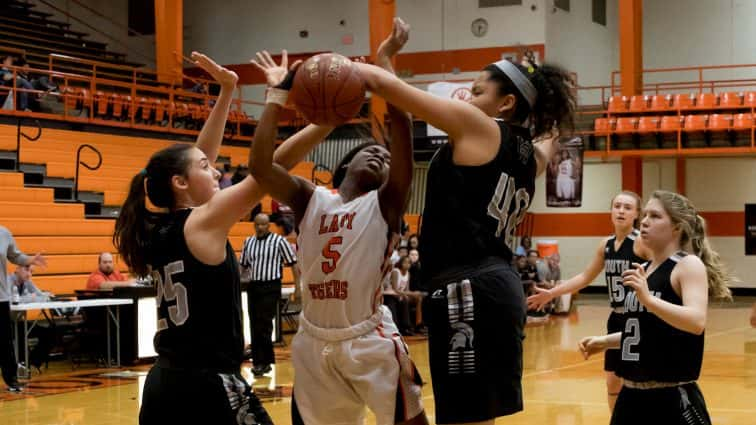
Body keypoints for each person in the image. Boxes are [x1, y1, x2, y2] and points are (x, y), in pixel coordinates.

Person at [351, 16, 576, 423]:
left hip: (468, 288)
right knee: (476, 417)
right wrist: (385, 57)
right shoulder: (531, 157)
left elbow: (389, 89)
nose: (467, 99)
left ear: (505, 104)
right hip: (494, 286)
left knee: (463, 418)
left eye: (476, 91)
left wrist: (315, 72)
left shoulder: (480, 127)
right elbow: (550, 139)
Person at [113, 52, 335, 425]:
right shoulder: (201, 223)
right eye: (206, 169)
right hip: (207, 383)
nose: (216, 171)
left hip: (163, 383)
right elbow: (269, 169)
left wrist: (227, 90)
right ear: (180, 184)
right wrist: (324, 124)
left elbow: (198, 157)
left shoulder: (160, 226)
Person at [249, 18, 427, 425]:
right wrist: (278, 94)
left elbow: (402, 137)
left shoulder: (385, 205)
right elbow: (260, 165)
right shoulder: (310, 198)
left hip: (369, 338)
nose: (381, 156)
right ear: (345, 164)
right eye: (370, 151)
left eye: (384, 159)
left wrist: (384, 70)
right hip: (312, 340)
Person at [579, 190, 733, 425]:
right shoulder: (645, 268)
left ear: (677, 227)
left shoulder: (687, 265)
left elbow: (696, 321)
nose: (645, 221)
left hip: (671, 397)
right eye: (646, 215)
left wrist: (649, 299)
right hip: (630, 396)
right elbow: (647, 331)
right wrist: (604, 341)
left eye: (655, 216)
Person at [528, 191, 651, 410]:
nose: (621, 211)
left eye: (627, 207)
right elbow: (585, 277)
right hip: (616, 317)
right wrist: (552, 293)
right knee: (612, 382)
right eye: (617, 206)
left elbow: (663, 266)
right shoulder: (606, 244)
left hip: (638, 318)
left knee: (638, 382)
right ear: (611, 211)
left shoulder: (641, 242)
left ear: (637, 215)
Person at [239, 213, 298, 376]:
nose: (260, 227)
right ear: (254, 225)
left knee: (264, 324)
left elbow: (293, 263)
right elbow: (242, 266)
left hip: (271, 286)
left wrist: (298, 288)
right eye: (257, 224)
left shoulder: (279, 241)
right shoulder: (248, 242)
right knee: (254, 322)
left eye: (263, 224)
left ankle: (263, 362)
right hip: (254, 286)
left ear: (269, 226)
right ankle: (260, 360)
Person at [0, 225, 46, 392]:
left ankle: (11, 379)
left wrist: (30, 260)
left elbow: (16, 256)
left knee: (4, 341)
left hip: (1, 297)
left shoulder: (3, 234)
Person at [9, 265, 53, 371]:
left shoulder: (27, 281)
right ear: (17, 268)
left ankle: (33, 360)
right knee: (20, 332)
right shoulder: (7, 281)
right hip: (6, 322)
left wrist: (42, 296)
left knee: (50, 332)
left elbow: (42, 296)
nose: (29, 274)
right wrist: (30, 298)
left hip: (19, 322)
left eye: (31, 272)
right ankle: (22, 364)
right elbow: (10, 301)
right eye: (27, 270)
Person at [391, 255, 424, 333]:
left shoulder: (408, 274)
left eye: (409, 263)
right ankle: (406, 326)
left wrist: (412, 294)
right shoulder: (396, 271)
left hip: (402, 295)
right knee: (408, 298)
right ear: (400, 263)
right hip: (394, 295)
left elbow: (407, 289)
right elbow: (395, 289)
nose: (407, 264)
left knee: (419, 298)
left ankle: (418, 324)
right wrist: (412, 294)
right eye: (405, 262)